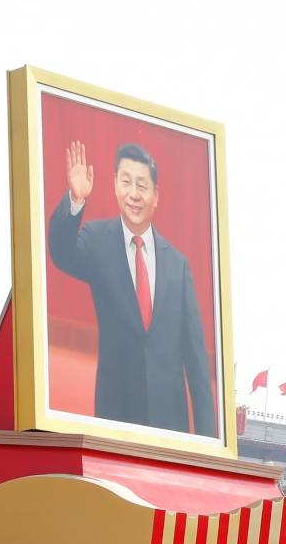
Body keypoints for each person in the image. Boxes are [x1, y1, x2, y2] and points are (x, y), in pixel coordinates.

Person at [48, 140, 217, 436]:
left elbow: (196, 360)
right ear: (114, 185)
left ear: (156, 195)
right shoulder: (97, 239)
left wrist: (208, 442)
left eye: (142, 185)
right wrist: (76, 199)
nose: (134, 194)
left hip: (170, 423)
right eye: (126, 182)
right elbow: (61, 253)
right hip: (117, 413)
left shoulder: (178, 265)